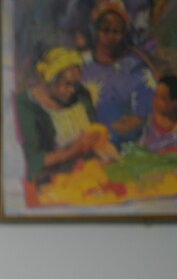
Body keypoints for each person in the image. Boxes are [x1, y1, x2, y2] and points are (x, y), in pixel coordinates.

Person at [16, 47, 118, 186]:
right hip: (52, 183)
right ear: (48, 82)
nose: (73, 90)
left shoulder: (81, 95)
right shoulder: (25, 106)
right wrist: (73, 150)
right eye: (67, 84)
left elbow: (95, 131)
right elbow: (31, 163)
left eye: (75, 84)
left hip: (90, 173)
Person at [79, 0, 156, 147]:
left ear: (124, 33)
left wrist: (139, 120)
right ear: (95, 31)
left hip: (128, 150)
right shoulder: (80, 65)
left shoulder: (136, 69)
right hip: (85, 146)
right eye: (105, 30)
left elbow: (153, 112)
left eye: (117, 31)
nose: (110, 37)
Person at [139, 74, 177, 153]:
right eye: (155, 96)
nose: (155, 101)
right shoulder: (148, 121)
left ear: (174, 103)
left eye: (162, 98)